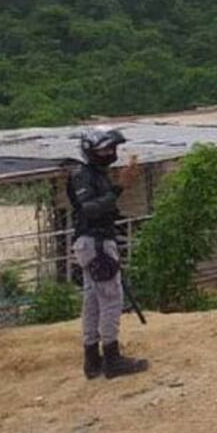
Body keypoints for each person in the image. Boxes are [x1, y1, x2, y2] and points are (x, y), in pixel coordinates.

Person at [68, 128, 149, 380]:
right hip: (97, 243)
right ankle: (112, 358)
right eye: (105, 149)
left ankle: (92, 360)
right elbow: (90, 209)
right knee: (111, 298)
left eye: (112, 149)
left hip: (92, 243)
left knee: (92, 299)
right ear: (91, 151)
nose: (110, 153)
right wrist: (119, 188)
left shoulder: (94, 174)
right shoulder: (84, 176)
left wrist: (117, 187)